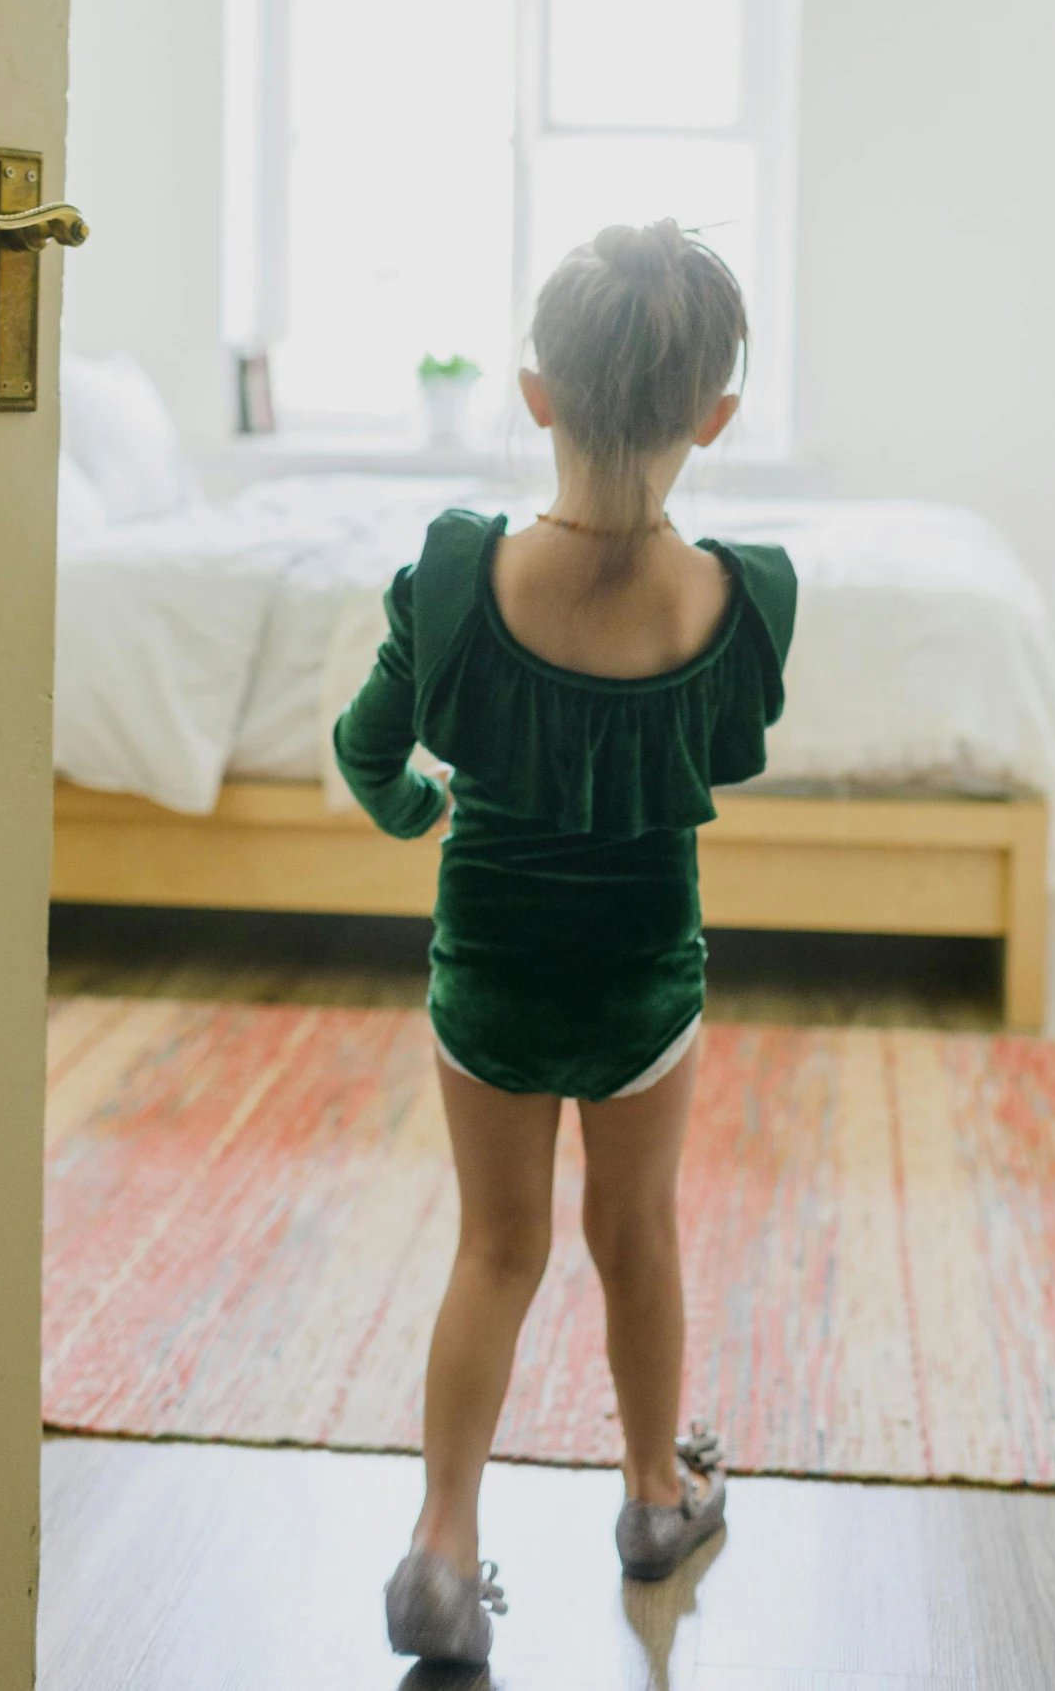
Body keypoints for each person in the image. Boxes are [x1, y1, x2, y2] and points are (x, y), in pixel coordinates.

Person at [333, 218, 797, 1667]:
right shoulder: (742, 598)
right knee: (633, 1237)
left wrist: (419, 812)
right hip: (643, 979)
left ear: (536, 393)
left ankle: (442, 1547)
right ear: (715, 417)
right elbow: (729, 751)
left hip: (490, 974)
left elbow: (366, 752)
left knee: (498, 1246)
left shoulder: (460, 575)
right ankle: (656, 1501)